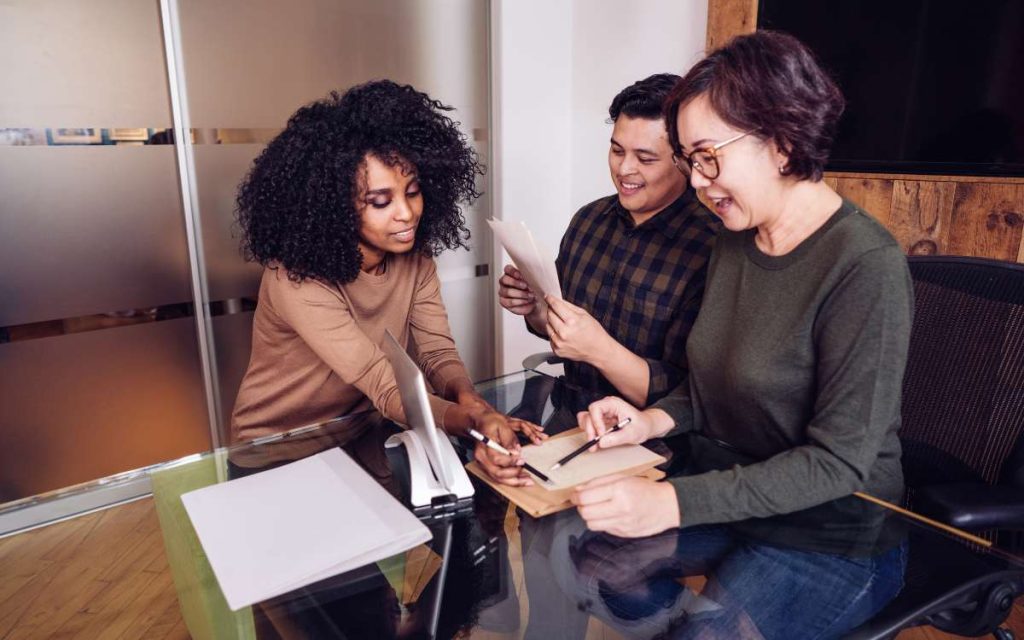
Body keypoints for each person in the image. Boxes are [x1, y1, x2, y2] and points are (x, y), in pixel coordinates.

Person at [571, 31, 914, 638]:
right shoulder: (733, 240)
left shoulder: (864, 265)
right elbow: (712, 383)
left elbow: (838, 463)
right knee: (596, 559)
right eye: (688, 159)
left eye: (708, 156)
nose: (699, 180)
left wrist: (671, 504)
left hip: (831, 532)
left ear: (781, 143)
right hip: (739, 501)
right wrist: (648, 421)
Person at [230, 80, 541, 486]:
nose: (406, 213)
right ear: (334, 206)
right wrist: (471, 422)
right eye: (380, 202)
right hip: (278, 450)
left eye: (412, 192)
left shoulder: (415, 259)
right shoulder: (296, 279)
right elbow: (382, 381)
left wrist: (474, 403)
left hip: (361, 435)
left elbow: (436, 351)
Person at [498, 74, 719, 407]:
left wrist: (600, 351)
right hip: (572, 416)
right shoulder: (589, 221)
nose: (624, 169)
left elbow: (691, 396)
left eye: (645, 159)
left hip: (657, 443)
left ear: (685, 161)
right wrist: (534, 309)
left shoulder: (711, 248)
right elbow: (556, 328)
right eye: (617, 150)